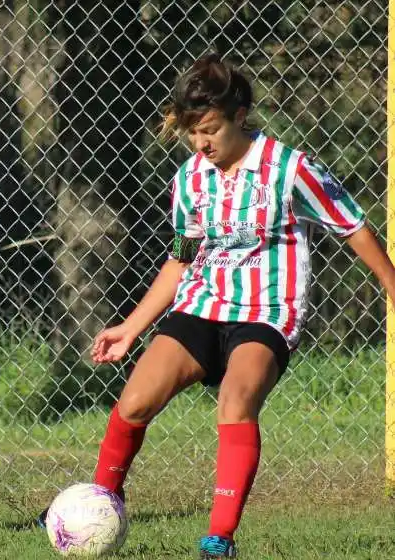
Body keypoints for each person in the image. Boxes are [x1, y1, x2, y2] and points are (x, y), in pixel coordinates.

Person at [40, 53, 395, 558]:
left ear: (239, 117)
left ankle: (218, 538)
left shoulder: (289, 169)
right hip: (203, 304)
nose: (202, 143)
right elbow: (181, 259)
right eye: (192, 133)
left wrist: (391, 285)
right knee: (136, 401)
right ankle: (97, 506)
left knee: (235, 401)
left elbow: (352, 225)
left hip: (267, 312)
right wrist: (132, 327)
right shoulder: (189, 179)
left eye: (210, 130)